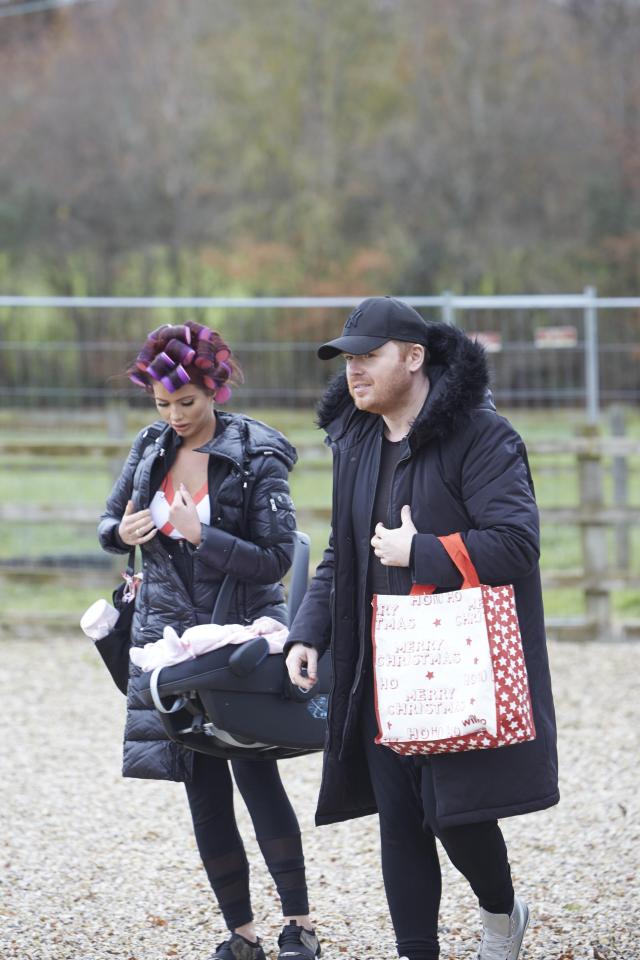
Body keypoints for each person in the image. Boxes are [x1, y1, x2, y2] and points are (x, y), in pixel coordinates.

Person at [285, 297, 559, 960]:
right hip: (379, 660)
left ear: (413, 357)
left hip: (458, 659)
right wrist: (308, 630)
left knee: (453, 813)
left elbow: (517, 544)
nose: (353, 372)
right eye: (346, 359)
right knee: (401, 819)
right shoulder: (353, 439)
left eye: (367, 356)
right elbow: (339, 551)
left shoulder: (483, 435)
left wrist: (423, 552)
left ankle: (502, 915)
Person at [98, 320, 321, 960]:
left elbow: (278, 557)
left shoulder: (256, 454)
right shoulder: (148, 447)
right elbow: (107, 524)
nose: (174, 416)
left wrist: (205, 536)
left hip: (240, 638)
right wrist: (126, 531)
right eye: (163, 403)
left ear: (214, 390)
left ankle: (300, 925)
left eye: (186, 403)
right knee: (200, 784)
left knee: (256, 776)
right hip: (168, 644)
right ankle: (241, 933)